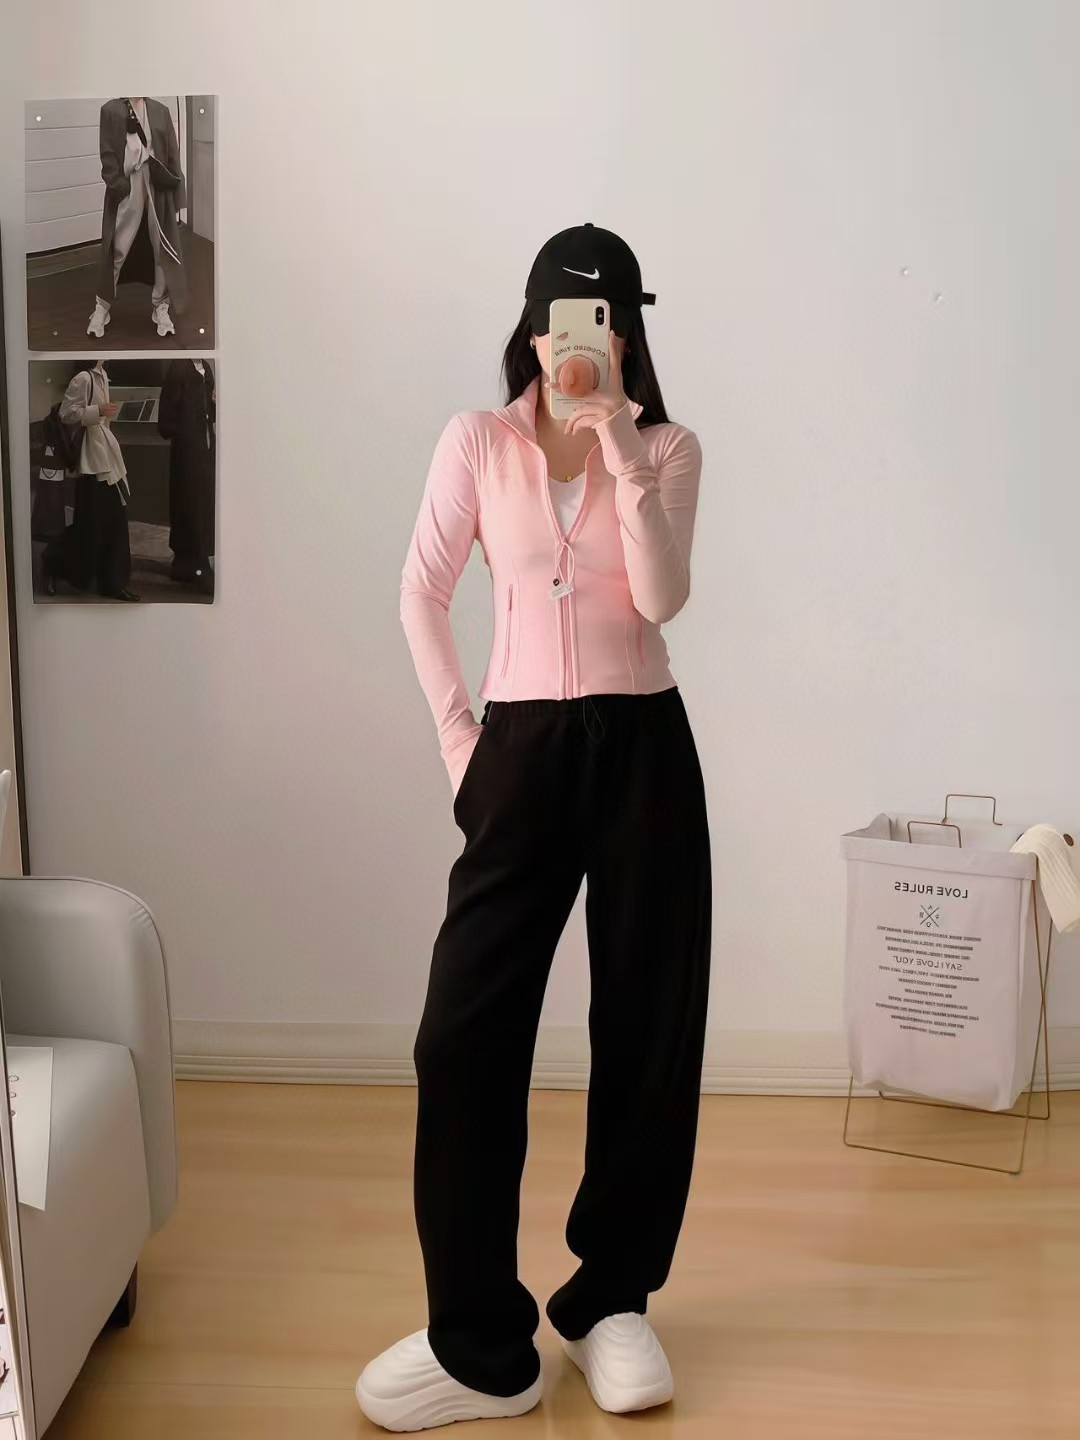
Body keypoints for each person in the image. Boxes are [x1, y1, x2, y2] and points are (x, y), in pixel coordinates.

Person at [356, 224, 711, 1431]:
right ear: (532, 323)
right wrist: (463, 745)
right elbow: (421, 589)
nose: (581, 341)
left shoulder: (665, 447)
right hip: (517, 750)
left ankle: (613, 1300)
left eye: (605, 320)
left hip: (646, 748)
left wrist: (618, 443)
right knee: (462, 1036)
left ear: (629, 332)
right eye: (564, 319)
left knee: (649, 1028)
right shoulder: (477, 440)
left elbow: (662, 597)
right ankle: (478, 1342)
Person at [87, 97, 187, 340]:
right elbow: (107, 156)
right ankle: (102, 306)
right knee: (117, 247)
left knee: (161, 246)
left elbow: (172, 154)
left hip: (157, 187)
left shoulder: (160, 110)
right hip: (128, 186)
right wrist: (119, 187)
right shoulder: (110, 110)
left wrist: (177, 197)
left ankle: (161, 306)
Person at [41, 360, 140, 602]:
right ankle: (55, 563)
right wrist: (98, 411)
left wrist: (101, 413)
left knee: (105, 521)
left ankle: (111, 581)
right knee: (95, 522)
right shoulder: (84, 378)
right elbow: (66, 414)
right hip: (92, 459)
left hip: (103, 454)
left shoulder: (102, 374)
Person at [157, 357, 216, 593]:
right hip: (187, 448)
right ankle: (198, 567)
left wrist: (213, 404)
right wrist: (186, 431)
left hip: (205, 445)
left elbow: (209, 408)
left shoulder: (205, 367)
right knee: (190, 503)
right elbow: (167, 417)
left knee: (202, 503)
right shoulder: (179, 366)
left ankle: (184, 566)